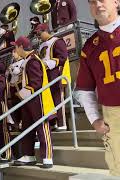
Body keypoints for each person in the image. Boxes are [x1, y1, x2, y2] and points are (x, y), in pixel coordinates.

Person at [76, 0, 120, 176]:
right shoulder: (89, 47)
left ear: (116, 2)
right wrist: (94, 119)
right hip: (113, 115)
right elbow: (85, 89)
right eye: (93, 2)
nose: (98, 4)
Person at [11, 36, 55, 169]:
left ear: (21, 47)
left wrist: (21, 93)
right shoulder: (28, 60)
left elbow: (36, 83)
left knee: (42, 127)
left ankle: (47, 157)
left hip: (38, 99)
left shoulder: (33, 61)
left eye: (16, 47)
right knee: (27, 128)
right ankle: (28, 155)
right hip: (30, 100)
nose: (15, 49)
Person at [36, 23, 71, 131]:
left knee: (57, 99)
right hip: (45, 76)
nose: (38, 36)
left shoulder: (57, 41)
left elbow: (62, 58)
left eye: (39, 33)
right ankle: (52, 123)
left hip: (56, 74)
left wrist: (48, 63)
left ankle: (62, 124)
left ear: (46, 31)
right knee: (48, 101)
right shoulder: (41, 45)